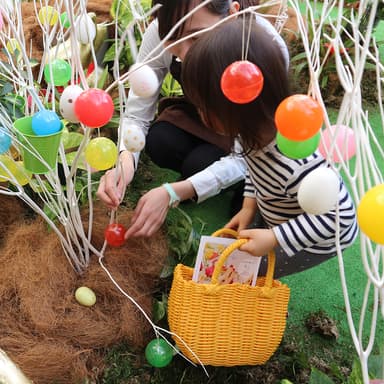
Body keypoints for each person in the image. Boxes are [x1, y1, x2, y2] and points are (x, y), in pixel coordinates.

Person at [181, 14, 358, 277]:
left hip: (322, 236)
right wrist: (248, 208)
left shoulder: (294, 161)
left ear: (238, 103)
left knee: (255, 268)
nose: (201, 115)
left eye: (204, 107)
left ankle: (262, 302)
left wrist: (275, 237)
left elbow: (338, 218)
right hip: (281, 206)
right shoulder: (249, 133)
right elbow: (255, 170)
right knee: (253, 248)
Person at [96, 0, 289, 238]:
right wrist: (125, 160)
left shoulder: (265, 49)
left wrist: (175, 191)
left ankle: (242, 185)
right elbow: (138, 111)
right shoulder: (162, 31)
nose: (187, 56)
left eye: (196, 38)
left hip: (252, 134)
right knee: (162, 141)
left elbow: (257, 144)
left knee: (202, 166)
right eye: (174, 42)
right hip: (210, 118)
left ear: (232, 13)